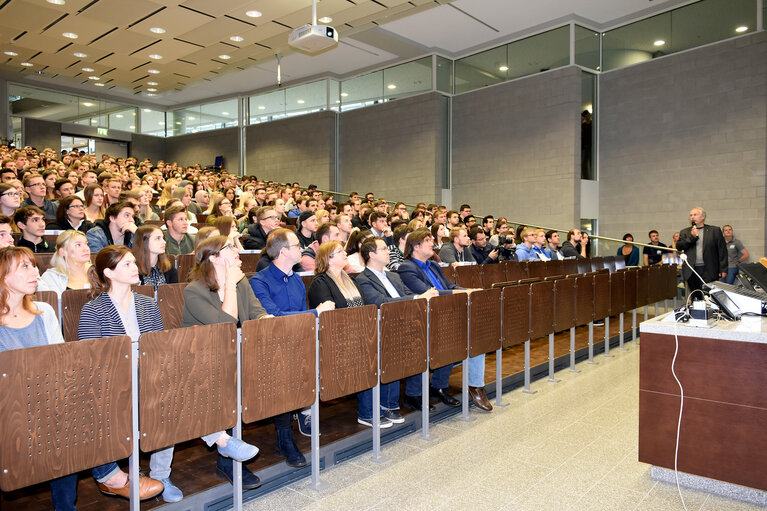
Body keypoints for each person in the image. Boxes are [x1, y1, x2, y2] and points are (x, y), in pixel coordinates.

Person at [0, 246, 160, 510]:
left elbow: (61, 360)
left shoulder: (43, 311)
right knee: (68, 416)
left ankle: (80, 495)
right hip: (12, 403)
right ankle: (109, 476)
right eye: (25, 267)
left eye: (33, 265)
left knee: (76, 408)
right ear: (4, 276)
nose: (35, 271)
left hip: (46, 398)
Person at [78, 246, 179, 503]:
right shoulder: (93, 310)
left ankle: (161, 474)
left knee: (173, 394)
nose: (135, 268)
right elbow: (92, 362)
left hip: (149, 375)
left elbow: (159, 345)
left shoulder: (147, 302)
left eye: (134, 263)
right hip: (115, 383)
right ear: (109, 272)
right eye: (127, 265)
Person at [181, 236, 270, 488]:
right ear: (214, 257)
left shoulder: (242, 283)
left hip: (234, 353)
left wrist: (267, 320)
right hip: (201, 360)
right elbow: (226, 324)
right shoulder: (194, 290)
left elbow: (256, 311)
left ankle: (230, 455)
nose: (239, 251)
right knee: (222, 384)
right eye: (231, 248)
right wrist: (230, 284)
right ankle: (229, 458)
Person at [249, 228, 335, 437]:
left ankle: (304, 407)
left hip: (299, 337)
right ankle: (291, 421)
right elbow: (275, 316)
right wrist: (317, 311)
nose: (302, 249)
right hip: (272, 343)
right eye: (297, 245)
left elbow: (300, 313)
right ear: (283, 252)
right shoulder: (259, 280)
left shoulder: (296, 279)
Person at [355, 238, 439, 424]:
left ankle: (393, 403)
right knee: (391, 350)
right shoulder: (362, 279)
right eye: (383, 249)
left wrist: (420, 296)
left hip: (402, 323)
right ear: (371, 255)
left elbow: (406, 294)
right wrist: (419, 297)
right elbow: (380, 302)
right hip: (381, 327)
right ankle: (387, 405)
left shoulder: (393, 276)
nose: (388, 252)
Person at [396, 228, 464, 411]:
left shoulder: (433, 265)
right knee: (422, 349)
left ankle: (439, 386)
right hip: (421, 317)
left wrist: (466, 290)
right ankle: (413, 394)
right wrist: (459, 292)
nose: (432, 242)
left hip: (443, 312)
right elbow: (424, 292)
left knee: (450, 344)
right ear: (416, 246)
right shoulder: (407, 267)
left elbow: (448, 285)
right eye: (428, 240)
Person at [676, 207, 727, 293]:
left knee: (709, 295)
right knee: (695, 295)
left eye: (695, 215)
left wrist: (723, 269)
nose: (692, 217)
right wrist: (692, 237)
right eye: (691, 215)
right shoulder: (685, 232)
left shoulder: (714, 231)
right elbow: (679, 246)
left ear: (703, 217)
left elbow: (722, 250)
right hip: (692, 270)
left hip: (709, 269)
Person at [37, 230, 91, 295]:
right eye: (78, 245)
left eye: (86, 244)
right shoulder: (51, 277)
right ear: (62, 252)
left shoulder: (97, 273)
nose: (86, 248)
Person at [133, 225, 179, 290]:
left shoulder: (169, 269)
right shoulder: (132, 270)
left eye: (163, 238)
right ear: (144, 242)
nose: (164, 242)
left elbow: (174, 295)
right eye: (157, 238)